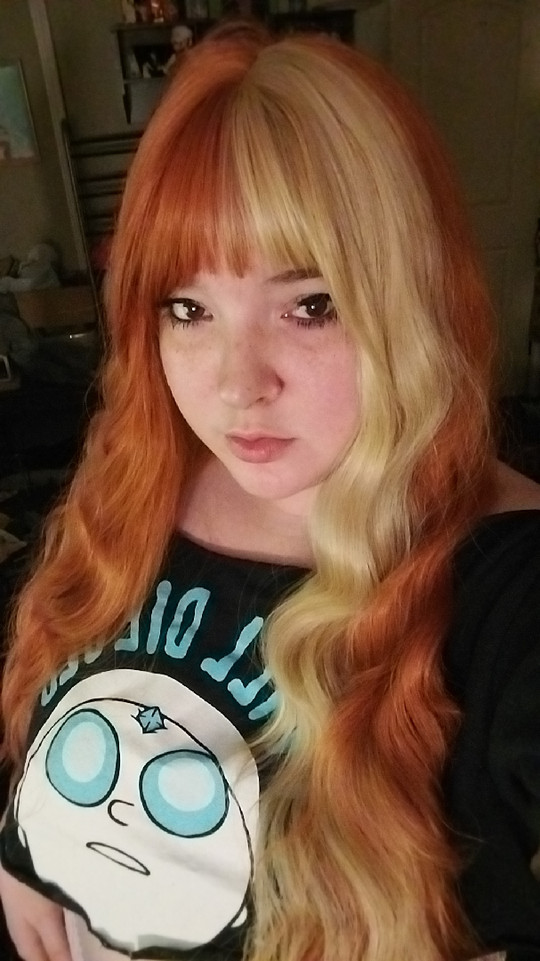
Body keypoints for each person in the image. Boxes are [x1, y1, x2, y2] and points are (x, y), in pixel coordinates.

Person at [0, 23, 539, 961]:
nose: (236, 385)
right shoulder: (143, 480)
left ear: (411, 300)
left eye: (310, 306)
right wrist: (27, 843)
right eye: (189, 309)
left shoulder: (508, 596)